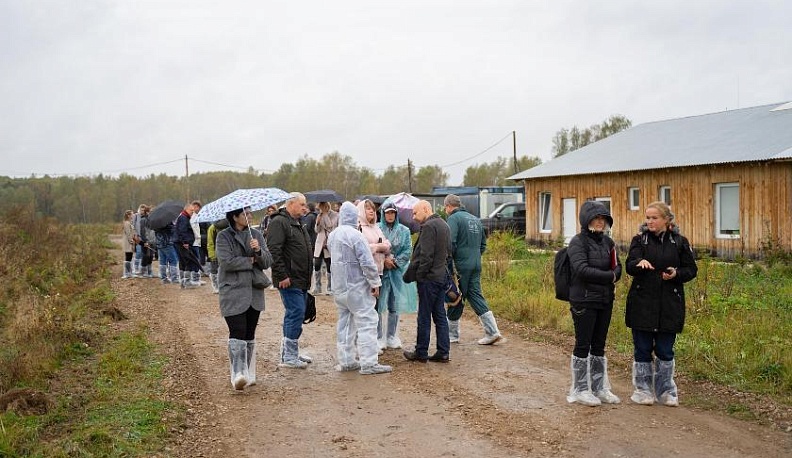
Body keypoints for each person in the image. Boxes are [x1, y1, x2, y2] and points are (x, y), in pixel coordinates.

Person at [626, 201, 698, 407]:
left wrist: (676, 274)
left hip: (669, 305)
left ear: (667, 220)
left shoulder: (680, 242)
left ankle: (666, 391)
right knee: (642, 349)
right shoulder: (639, 240)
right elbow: (629, 265)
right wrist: (639, 264)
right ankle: (643, 390)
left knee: (666, 350)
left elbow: (691, 270)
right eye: (647, 217)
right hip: (642, 304)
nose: (649, 221)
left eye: (654, 218)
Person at [565, 200, 622, 406]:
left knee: (599, 345)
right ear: (586, 219)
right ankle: (580, 389)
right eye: (596, 218)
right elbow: (581, 269)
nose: (600, 222)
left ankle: (599, 388)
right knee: (583, 344)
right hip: (584, 300)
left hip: (605, 300)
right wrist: (609, 277)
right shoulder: (577, 242)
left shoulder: (608, 243)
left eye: (603, 218)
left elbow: (619, 268)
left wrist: (613, 275)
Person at [329, 201, 392, 375]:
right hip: (357, 288)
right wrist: (375, 283)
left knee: (345, 324)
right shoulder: (356, 236)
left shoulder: (333, 236)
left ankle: (346, 360)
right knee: (367, 323)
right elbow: (367, 262)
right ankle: (369, 363)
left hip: (339, 288)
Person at [216, 207, 272, 390]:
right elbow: (226, 262)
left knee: (249, 333)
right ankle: (237, 373)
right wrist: (250, 260)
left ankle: (249, 372)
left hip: (253, 291)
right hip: (232, 291)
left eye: (250, 213)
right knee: (237, 330)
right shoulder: (223, 236)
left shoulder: (255, 234)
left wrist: (258, 252)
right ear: (235, 216)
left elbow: (267, 261)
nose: (249, 216)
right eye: (245, 214)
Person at [443, 194, 504, 345]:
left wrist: (449, 263)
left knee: (454, 297)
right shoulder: (475, 219)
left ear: (448, 206)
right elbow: (483, 245)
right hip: (476, 263)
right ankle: (492, 331)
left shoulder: (453, 219)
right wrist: (473, 257)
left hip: (460, 266)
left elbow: (450, 243)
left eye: (446, 208)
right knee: (475, 295)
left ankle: (452, 335)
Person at [267, 192, 314, 369]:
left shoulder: (297, 222)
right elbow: (274, 251)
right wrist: (281, 276)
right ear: (291, 204)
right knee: (296, 313)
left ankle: (290, 353)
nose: (305, 208)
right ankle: (289, 356)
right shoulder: (279, 222)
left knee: (297, 314)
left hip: (300, 278)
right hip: (289, 279)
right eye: (302, 204)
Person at [402, 200, 451, 363]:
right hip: (440, 277)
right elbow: (447, 252)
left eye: (415, 213)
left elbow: (426, 256)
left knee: (424, 316)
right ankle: (443, 351)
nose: (414, 217)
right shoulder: (444, 224)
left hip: (429, 279)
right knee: (440, 316)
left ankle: (421, 352)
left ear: (425, 209)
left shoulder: (429, 227)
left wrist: (420, 276)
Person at [377, 202, 417, 351]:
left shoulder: (404, 230)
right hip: (381, 272)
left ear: (396, 214)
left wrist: (395, 262)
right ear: (383, 214)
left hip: (396, 272)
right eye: (387, 213)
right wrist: (384, 261)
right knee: (379, 306)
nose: (390, 215)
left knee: (393, 305)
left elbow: (407, 250)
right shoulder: (377, 229)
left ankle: (391, 336)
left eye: (393, 213)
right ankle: (379, 337)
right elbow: (372, 247)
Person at [312, 201, 339, 295]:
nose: (321, 209)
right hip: (319, 242)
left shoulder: (335, 215)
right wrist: (318, 222)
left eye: (322, 206)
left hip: (329, 242)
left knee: (329, 265)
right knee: (317, 264)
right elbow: (317, 230)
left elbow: (330, 226)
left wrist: (325, 215)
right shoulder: (319, 215)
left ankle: (330, 287)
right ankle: (317, 286)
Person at [175, 201, 202, 288]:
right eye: (191, 210)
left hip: (181, 243)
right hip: (183, 243)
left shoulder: (183, 216)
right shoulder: (183, 218)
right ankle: (187, 282)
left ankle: (183, 282)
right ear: (186, 209)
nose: (192, 212)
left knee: (183, 262)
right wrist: (185, 242)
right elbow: (183, 231)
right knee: (188, 261)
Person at [207, 218, 230, 294]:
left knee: (214, 270)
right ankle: (224, 286)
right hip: (227, 253)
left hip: (216, 252)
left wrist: (212, 255)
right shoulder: (230, 226)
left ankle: (216, 287)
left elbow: (210, 243)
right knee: (224, 270)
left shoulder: (212, 228)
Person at [121, 210, 136, 279]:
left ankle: (129, 272)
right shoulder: (127, 223)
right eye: (132, 214)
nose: (133, 215)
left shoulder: (130, 223)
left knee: (130, 256)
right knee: (128, 257)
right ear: (128, 215)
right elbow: (128, 233)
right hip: (128, 242)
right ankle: (126, 273)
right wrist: (131, 241)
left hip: (130, 242)